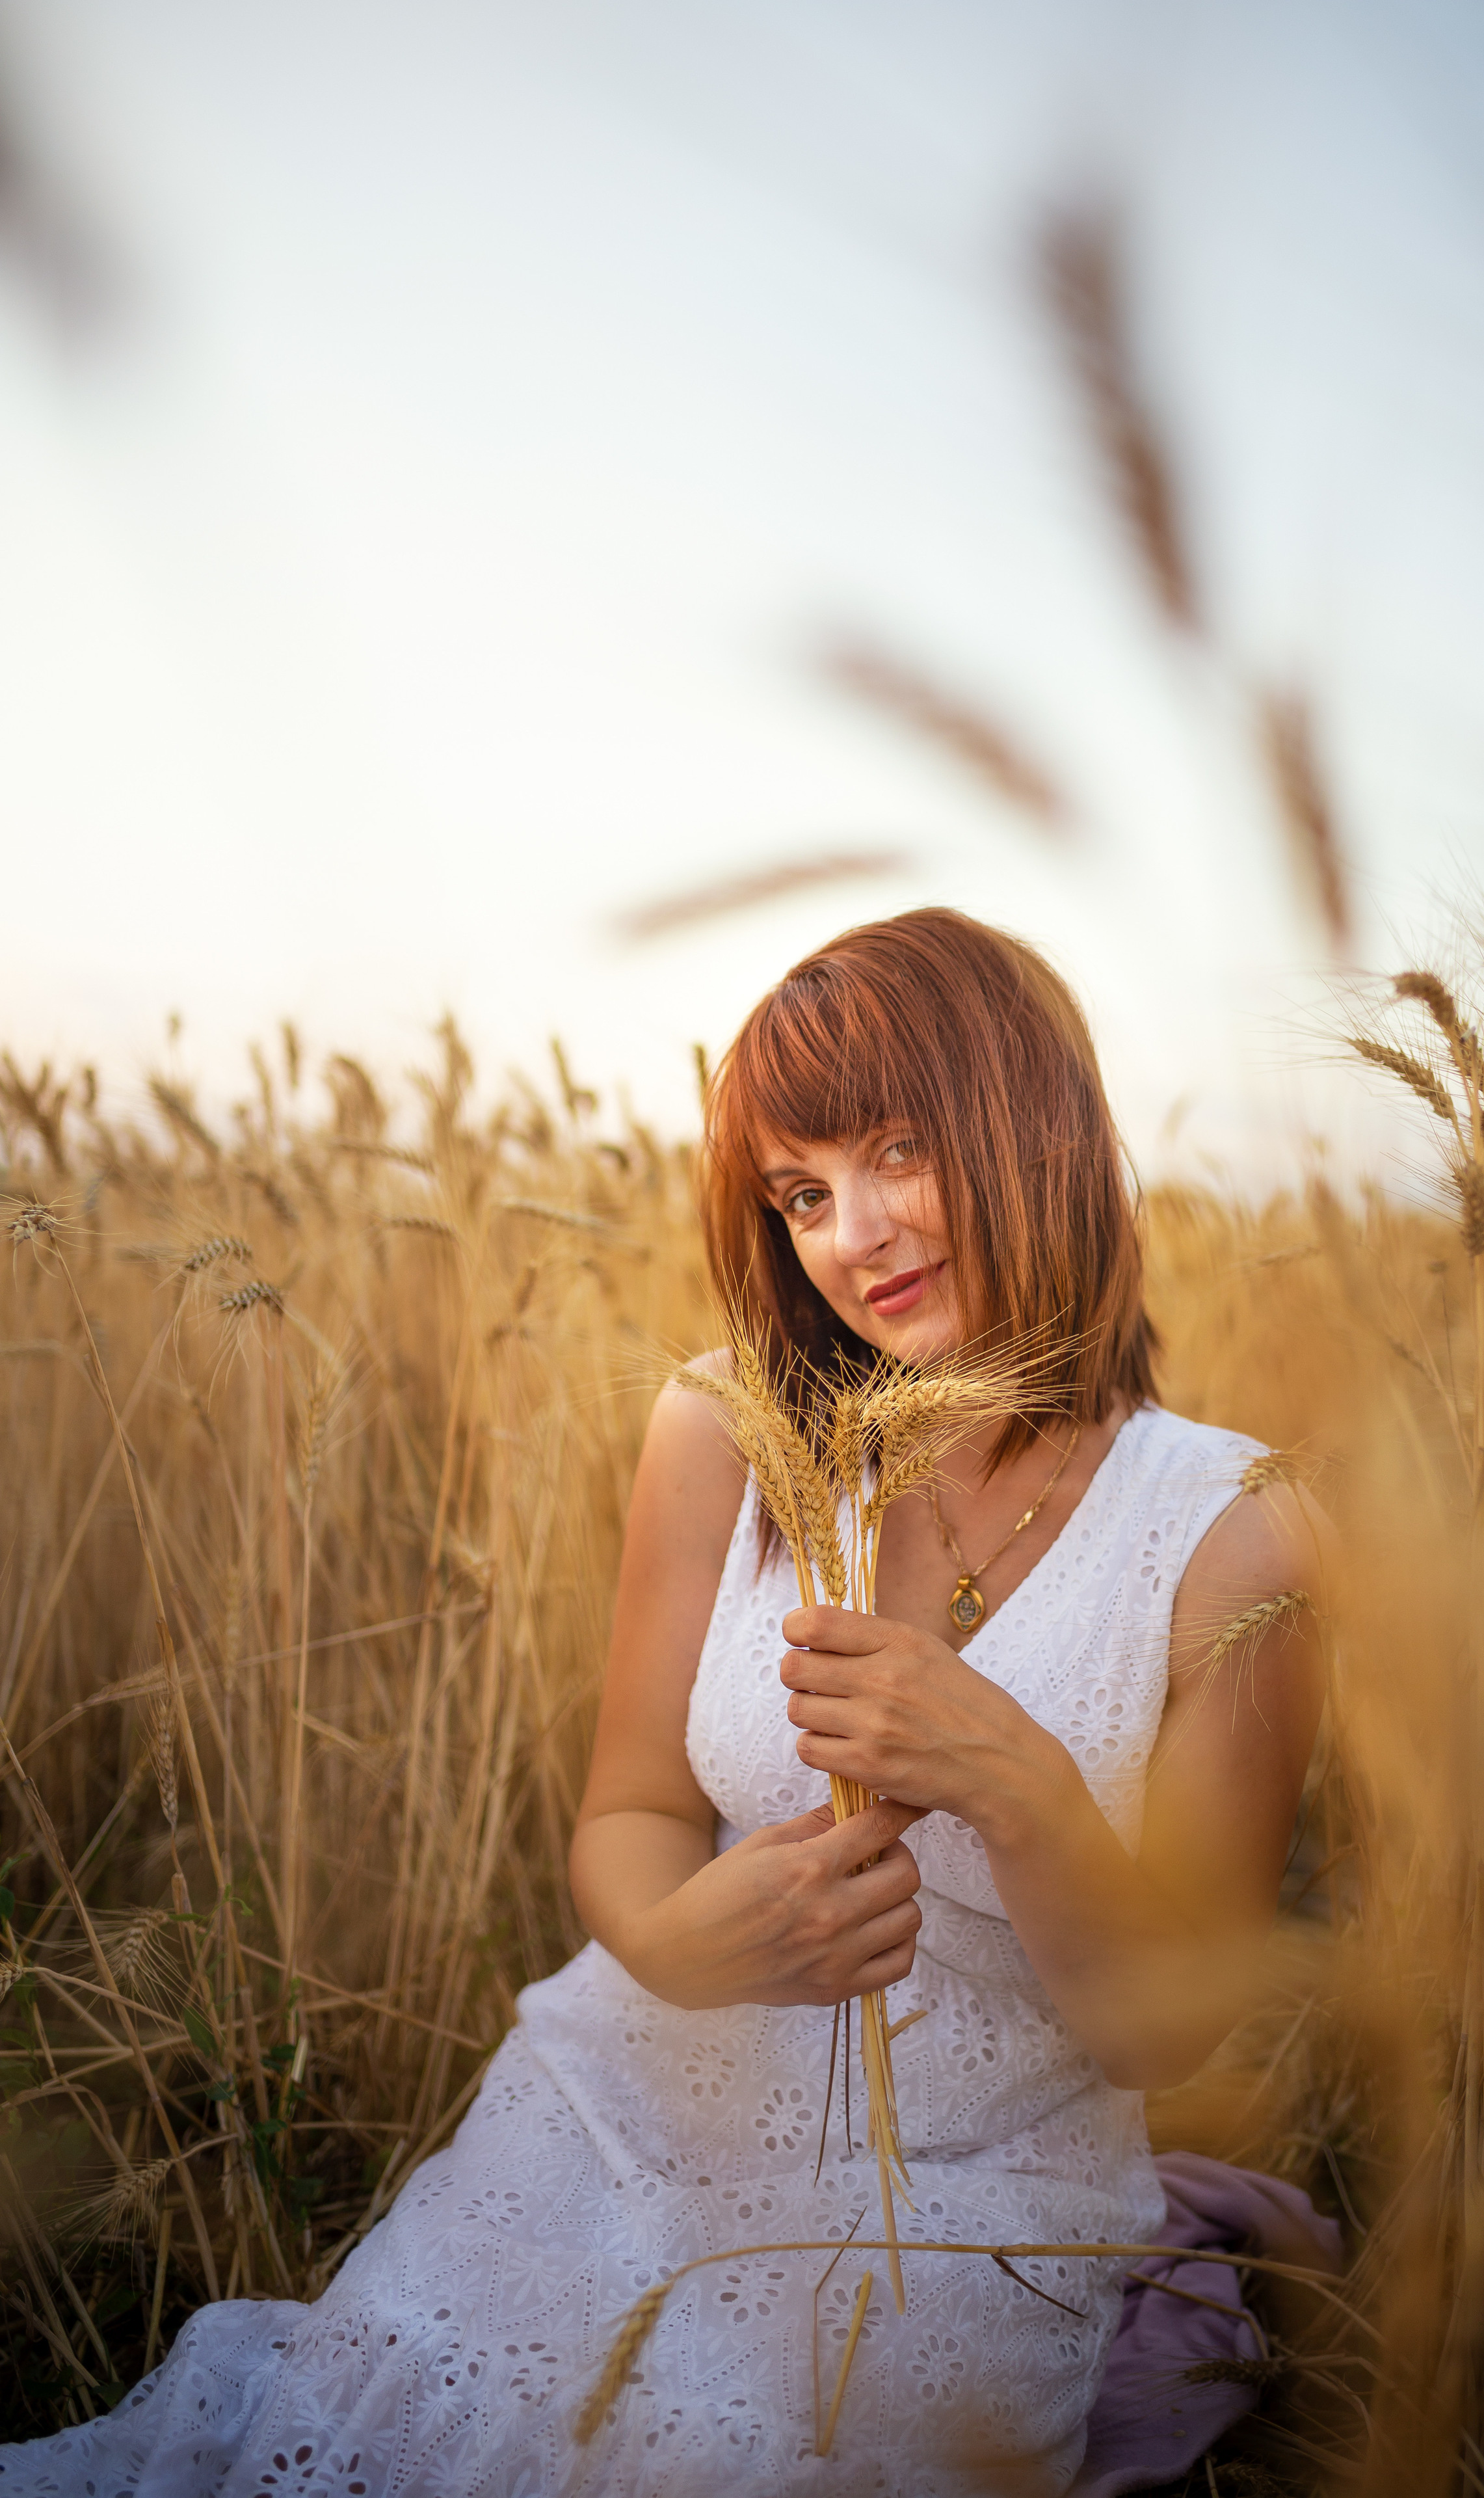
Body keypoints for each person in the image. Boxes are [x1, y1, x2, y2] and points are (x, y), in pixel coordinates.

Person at [1, 910, 1324, 2497]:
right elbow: (629, 1815)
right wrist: (665, 1941)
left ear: (1030, 1119)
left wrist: (1012, 1777)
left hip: (967, 2202)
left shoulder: (1233, 1533)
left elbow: (1166, 2027)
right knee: (373, 2436)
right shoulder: (725, 1431)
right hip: (627, 2103)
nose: (857, 1234)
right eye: (802, 1192)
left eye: (900, 1150)